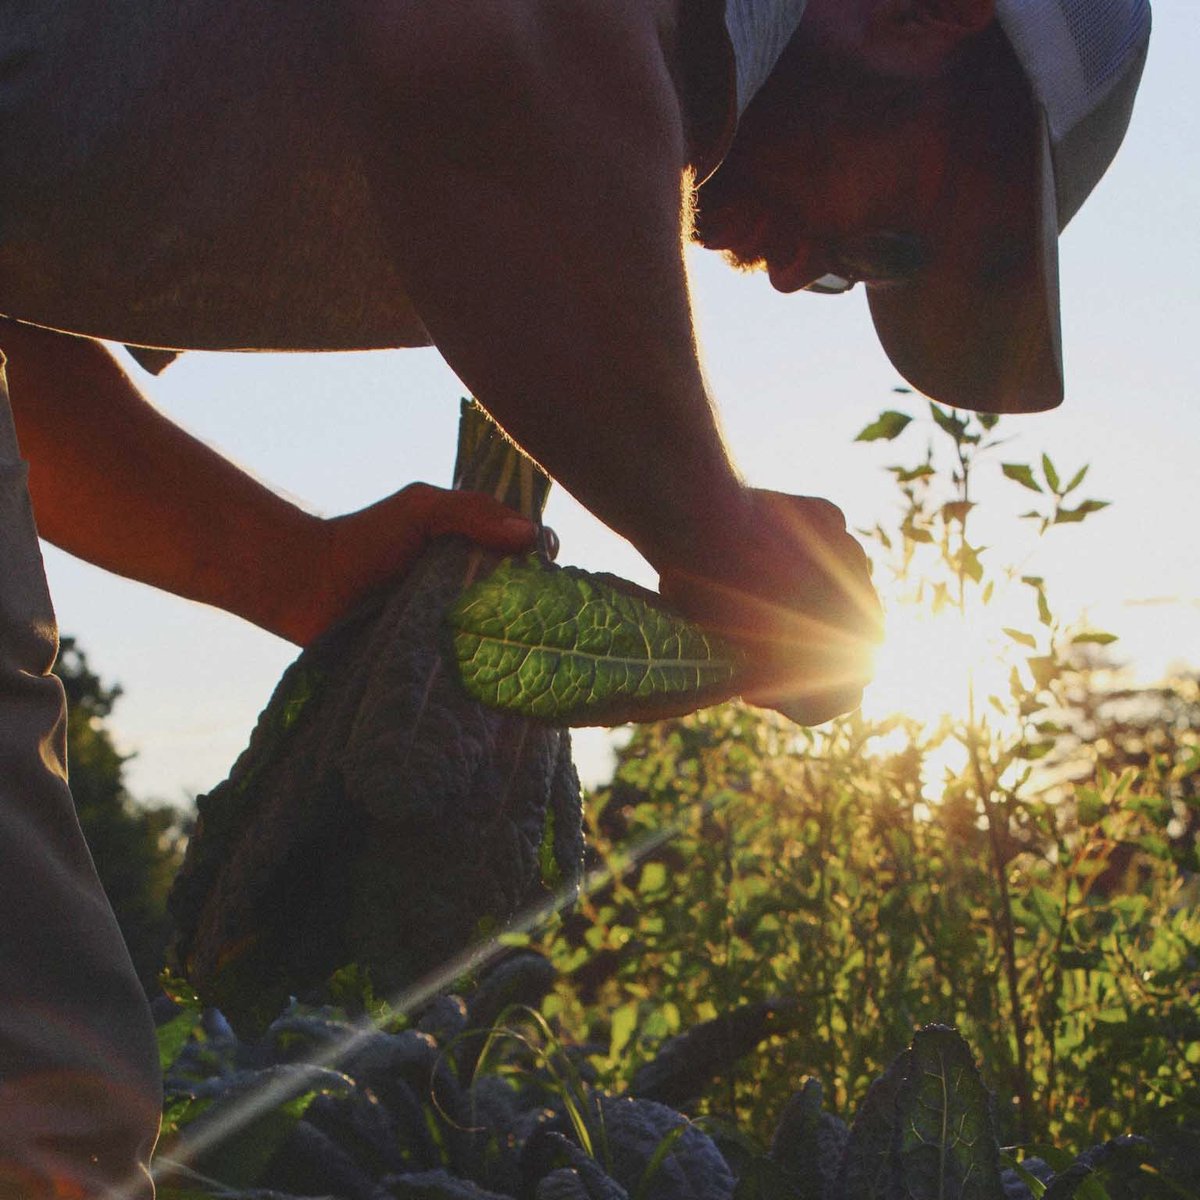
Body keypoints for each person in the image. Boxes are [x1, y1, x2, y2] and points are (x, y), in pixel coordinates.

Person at [0, 0, 1149, 1192]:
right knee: (40, 1110)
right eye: (896, 239)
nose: (804, 268)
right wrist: (717, 535)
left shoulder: (538, 170)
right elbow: (496, 41)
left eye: (854, 280)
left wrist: (288, 566)